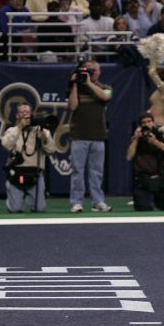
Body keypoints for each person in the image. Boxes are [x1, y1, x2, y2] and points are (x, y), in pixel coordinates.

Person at [67, 58, 113, 212]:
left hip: (98, 136)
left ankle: (98, 202)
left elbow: (105, 97)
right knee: (77, 172)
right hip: (79, 135)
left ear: (99, 72)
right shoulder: (76, 88)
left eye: (94, 69)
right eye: (88, 69)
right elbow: (72, 106)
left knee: (96, 173)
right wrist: (74, 83)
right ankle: (76, 202)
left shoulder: (105, 87)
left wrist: (88, 83)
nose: (91, 72)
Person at [0, 103, 56, 213]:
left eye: (27, 112)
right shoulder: (12, 130)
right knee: (15, 209)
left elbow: (51, 151)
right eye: (22, 112)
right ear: (17, 115)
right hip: (17, 173)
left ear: (31, 114)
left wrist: (45, 140)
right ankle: (12, 200)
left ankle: (31, 198)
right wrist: (20, 127)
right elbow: (6, 144)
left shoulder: (42, 130)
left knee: (39, 209)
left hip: (35, 173)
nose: (25, 115)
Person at [127, 112, 164, 212]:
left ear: (153, 123)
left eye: (149, 121)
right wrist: (136, 139)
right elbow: (129, 157)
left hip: (161, 181)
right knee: (145, 208)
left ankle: (159, 201)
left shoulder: (161, 135)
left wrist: (155, 142)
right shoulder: (137, 139)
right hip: (143, 182)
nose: (146, 124)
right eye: (143, 123)